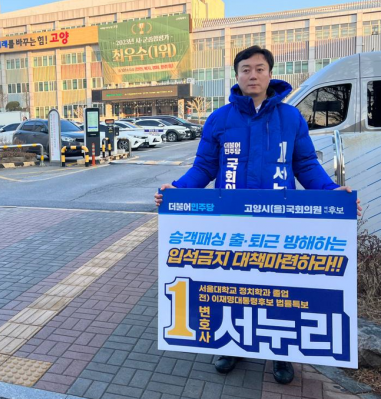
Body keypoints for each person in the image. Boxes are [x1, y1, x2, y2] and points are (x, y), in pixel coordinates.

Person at [154, 45, 361, 385]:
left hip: (280, 222)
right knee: (232, 285)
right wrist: (177, 189)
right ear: (236, 76)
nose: (253, 74)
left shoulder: (290, 117)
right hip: (231, 222)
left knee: (280, 288)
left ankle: (282, 354)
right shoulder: (220, 119)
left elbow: (305, 165)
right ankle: (231, 345)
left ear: (270, 74)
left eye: (259, 69)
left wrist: (330, 193)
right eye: (245, 69)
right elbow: (204, 167)